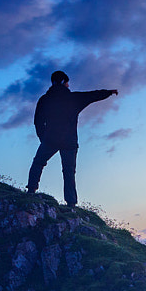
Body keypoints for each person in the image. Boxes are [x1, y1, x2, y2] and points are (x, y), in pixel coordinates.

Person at [27, 71, 119, 205]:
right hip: (69, 141)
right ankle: (71, 203)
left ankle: (31, 190)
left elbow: (38, 121)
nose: (69, 85)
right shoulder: (73, 98)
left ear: (53, 82)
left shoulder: (44, 99)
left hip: (50, 139)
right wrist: (109, 92)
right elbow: (92, 95)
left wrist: (44, 137)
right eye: (67, 83)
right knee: (69, 172)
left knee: (38, 163)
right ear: (64, 82)